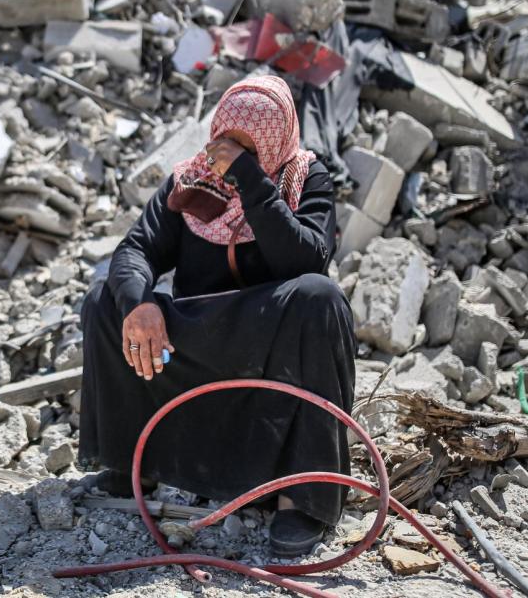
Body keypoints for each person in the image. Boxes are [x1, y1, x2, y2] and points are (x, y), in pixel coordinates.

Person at [78, 75, 356, 557]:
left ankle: (302, 498)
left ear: (274, 142)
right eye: (227, 141)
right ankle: (132, 465)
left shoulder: (305, 179)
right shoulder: (191, 180)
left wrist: (252, 180)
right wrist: (140, 305)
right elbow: (135, 249)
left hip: (266, 344)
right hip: (201, 338)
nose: (228, 155)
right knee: (107, 299)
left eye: (248, 147)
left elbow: (305, 259)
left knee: (319, 299)